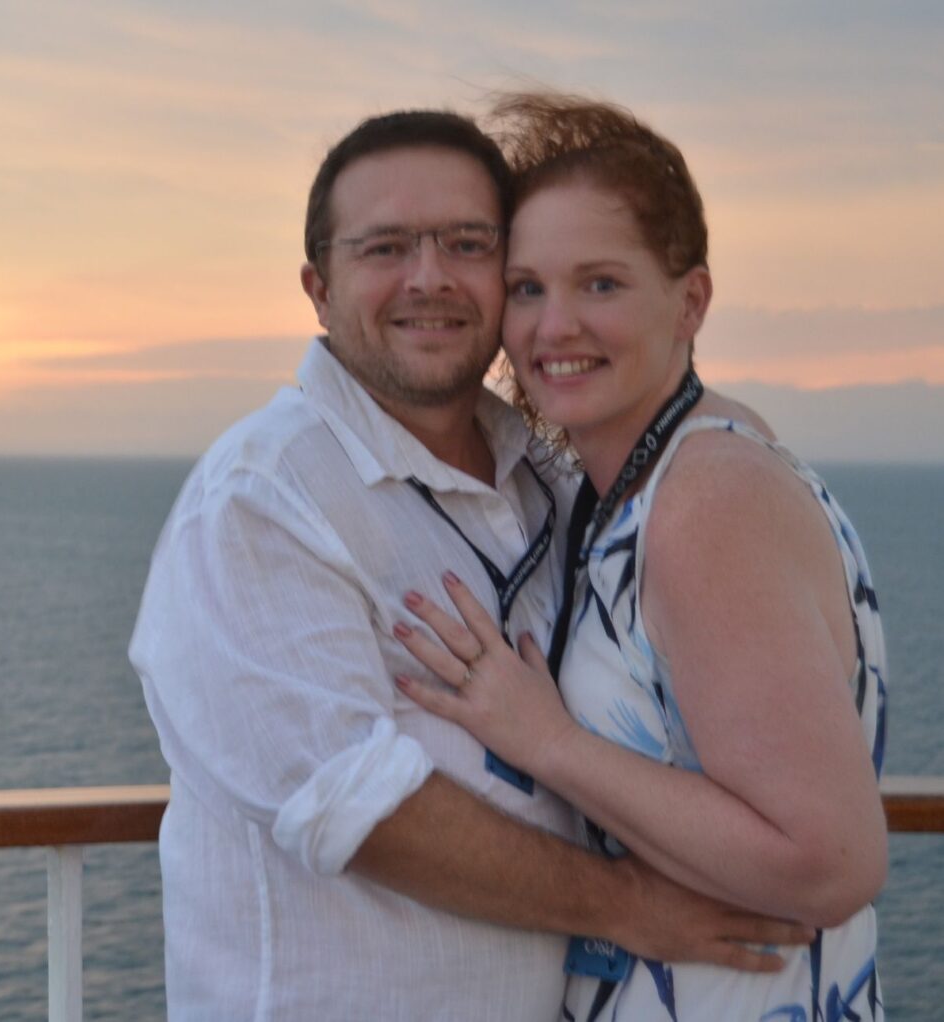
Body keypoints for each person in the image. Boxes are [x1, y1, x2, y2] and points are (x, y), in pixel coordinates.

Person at [130, 109, 810, 1020]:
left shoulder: (548, 477)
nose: (430, 278)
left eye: (467, 243)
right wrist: (632, 910)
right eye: (385, 248)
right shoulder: (263, 499)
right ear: (318, 287)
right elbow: (361, 812)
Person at [392, 93, 887, 1020]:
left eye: (601, 284)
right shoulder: (688, 457)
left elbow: (831, 863)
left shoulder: (706, 498)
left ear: (690, 299)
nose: (553, 327)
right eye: (530, 287)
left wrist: (547, 741)